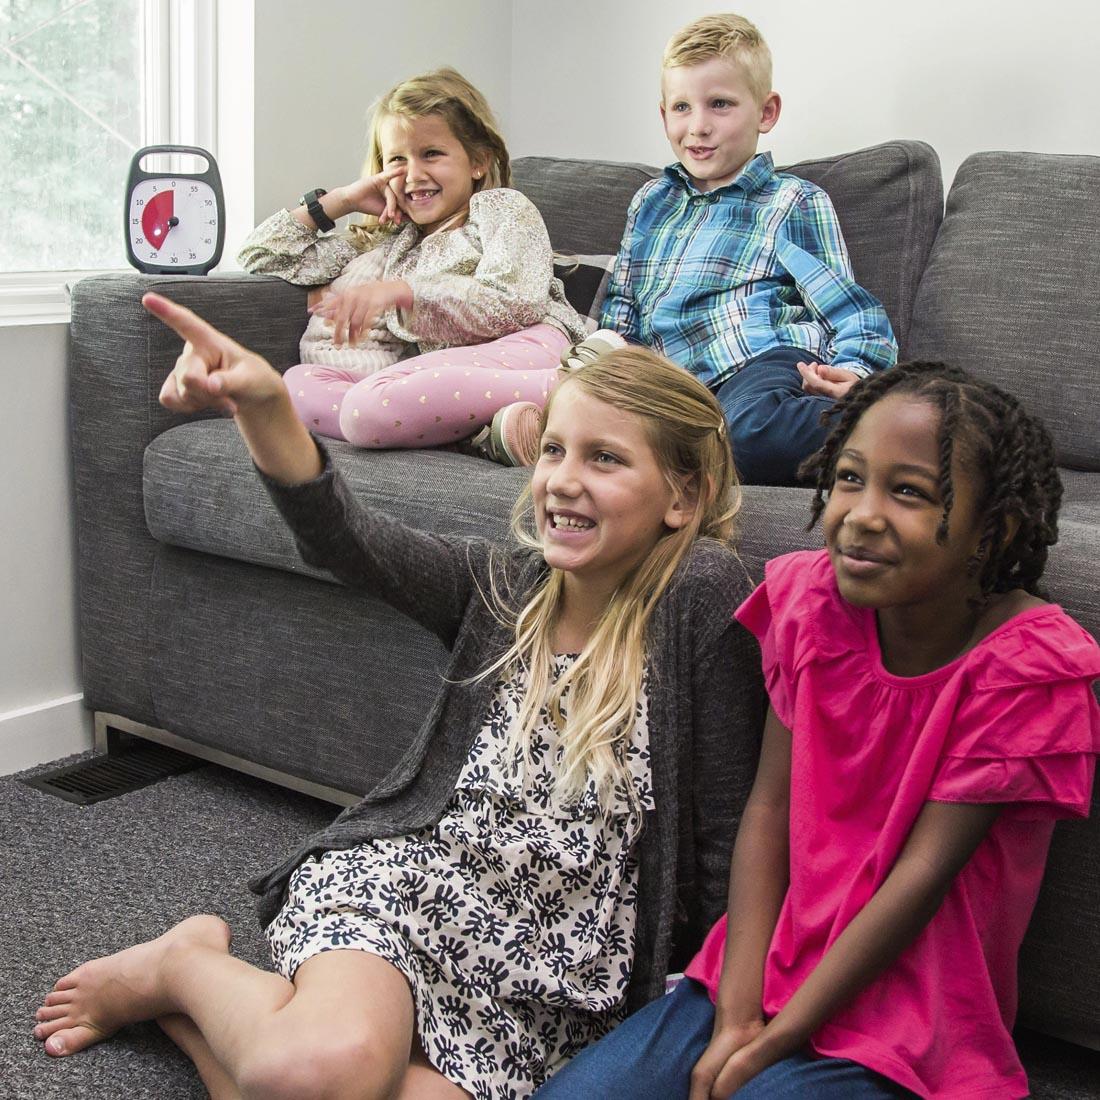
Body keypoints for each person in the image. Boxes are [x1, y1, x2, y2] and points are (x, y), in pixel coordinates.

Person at [32, 292, 763, 1100]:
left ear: (683, 499)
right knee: (318, 1073)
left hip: (549, 986)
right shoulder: (504, 589)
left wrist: (721, 1006)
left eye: (606, 459)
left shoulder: (701, 593)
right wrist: (267, 403)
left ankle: (195, 1007)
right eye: (553, 449)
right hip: (415, 893)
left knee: (309, 1092)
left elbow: (726, 833)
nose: (562, 480)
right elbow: (350, 540)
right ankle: (184, 967)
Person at [532, 361, 1100, 1099]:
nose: (861, 513)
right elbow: (768, 813)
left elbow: (920, 879)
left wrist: (779, 1038)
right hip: (757, 969)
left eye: (909, 493)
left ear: (999, 530)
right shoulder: (813, 606)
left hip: (910, 1023)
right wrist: (736, 1012)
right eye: (849, 478)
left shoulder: (1030, 668)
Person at [501, 14, 898, 482]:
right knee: (615, 437)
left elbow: (851, 312)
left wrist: (854, 374)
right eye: (683, 107)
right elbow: (623, 310)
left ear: (766, 112)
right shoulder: (651, 203)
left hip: (758, 368)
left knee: (747, 436)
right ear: (664, 114)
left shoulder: (792, 201)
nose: (699, 126)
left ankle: (895, 430)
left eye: (720, 105)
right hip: (671, 390)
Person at [238, 67, 588, 465]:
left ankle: (577, 385)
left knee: (367, 408)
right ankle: (476, 434)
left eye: (432, 154)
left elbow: (515, 304)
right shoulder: (391, 243)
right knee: (297, 385)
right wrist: (342, 200)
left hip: (531, 345)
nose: (415, 175)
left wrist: (406, 293)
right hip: (447, 376)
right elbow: (261, 256)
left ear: (477, 161)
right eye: (398, 160)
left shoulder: (501, 210)